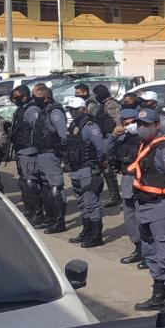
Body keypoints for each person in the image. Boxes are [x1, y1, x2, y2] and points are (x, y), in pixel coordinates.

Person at [130, 108, 165, 313]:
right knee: (150, 252)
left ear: (157, 125)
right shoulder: (144, 145)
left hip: (162, 207)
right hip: (144, 207)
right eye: (139, 124)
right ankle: (159, 293)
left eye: (146, 125)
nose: (141, 128)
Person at [61, 97, 109, 248]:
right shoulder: (73, 125)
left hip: (88, 168)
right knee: (82, 202)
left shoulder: (90, 126)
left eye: (75, 110)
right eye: (70, 109)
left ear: (83, 109)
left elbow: (101, 148)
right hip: (75, 169)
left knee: (91, 202)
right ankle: (87, 231)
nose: (72, 112)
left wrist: (99, 163)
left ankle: (96, 235)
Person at [32, 86, 70, 234]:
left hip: (51, 153)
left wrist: (62, 153)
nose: (34, 100)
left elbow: (63, 136)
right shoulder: (44, 111)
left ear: (46, 98)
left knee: (55, 187)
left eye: (37, 98)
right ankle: (50, 219)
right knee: (46, 188)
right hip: (41, 153)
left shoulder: (55, 112)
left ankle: (59, 222)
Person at [112, 107, 146, 267]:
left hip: (143, 180)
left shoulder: (145, 137)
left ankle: (149, 252)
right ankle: (138, 248)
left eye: (133, 122)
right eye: (126, 123)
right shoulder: (122, 138)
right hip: (127, 179)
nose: (130, 126)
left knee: (143, 217)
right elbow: (106, 150)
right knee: (130, 217)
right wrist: (113, 136)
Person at [9, 86, 45, 226]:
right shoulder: (21, 109)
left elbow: (37, 130)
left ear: (24, 96)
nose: (14, 98)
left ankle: (38, 213)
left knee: (31, 182)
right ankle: (29, 210)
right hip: (21, 151)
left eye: (17, 95)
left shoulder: (32, 110)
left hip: (30, 151)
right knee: (24, 182)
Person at [92, 84, 123, 207]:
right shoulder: (104, 104)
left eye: (96, 94)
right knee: (107, 167)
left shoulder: (111, 104)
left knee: (108, 166)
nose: (95, 97)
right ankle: (114, 196)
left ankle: (115, 197)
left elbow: (117, 121)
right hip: (108, 137)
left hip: (113, 138)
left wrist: (114, 137)